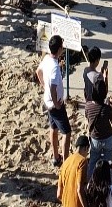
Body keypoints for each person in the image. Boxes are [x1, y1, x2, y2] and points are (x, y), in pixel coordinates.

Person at [37, 35, 71, 167]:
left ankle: (56, 157)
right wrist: (57, 104)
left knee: (53, 128)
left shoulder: (46, 58)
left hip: (47, 102)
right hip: (55, 104)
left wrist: (43, 85)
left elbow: (38, 71)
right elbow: (53, 88)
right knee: (66, 133)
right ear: (59, 49)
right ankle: (66, 162)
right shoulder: (55, 69)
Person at [84, 47, 112, 181]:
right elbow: (104, 90)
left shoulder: (85, 71)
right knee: (107, 161)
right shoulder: (99, 77)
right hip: (107, 136)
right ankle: (106, 182)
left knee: (93, 159)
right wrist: (105, 77)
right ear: (97, 60)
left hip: (90, 105)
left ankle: (90, 181)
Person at [57, 136, 90, 207]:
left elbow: (59, 194)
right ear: (86, 148)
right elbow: (79, 190)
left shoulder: (65, 163)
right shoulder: (82, 161)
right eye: (87, 151)